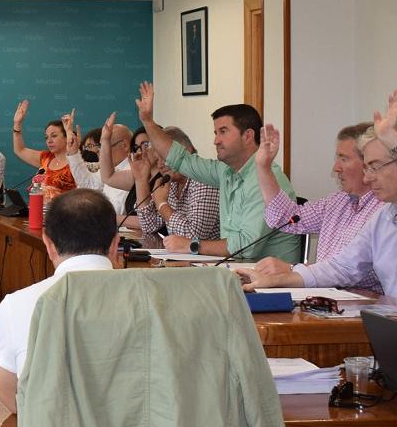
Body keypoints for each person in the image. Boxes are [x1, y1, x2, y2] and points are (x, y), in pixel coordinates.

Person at [244, 90, 397, 312]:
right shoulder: (383, 218)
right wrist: (275, 280)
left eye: (374, 167)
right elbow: (340, 267)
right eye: (366, 167)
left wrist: (392, 138)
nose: (367, 177)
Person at [135, 81, 302, 262]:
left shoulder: (267, 179)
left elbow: (246, 247)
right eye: (215, 133)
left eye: (223, 132)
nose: (216, 140)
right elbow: (180, 159)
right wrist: (148, 121)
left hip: (273, 281)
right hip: (237, 270)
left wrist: (192, 245)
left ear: (248, 135)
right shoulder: (225, 171)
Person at [0, 189, 122, 413]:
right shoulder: (155, 301)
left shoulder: (16, 305)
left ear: (48, 244)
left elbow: (12, 398)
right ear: (115, 244)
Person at [255, 122, 384, 291]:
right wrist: (264, 167)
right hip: (324, 300)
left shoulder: (385, 209)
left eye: (344, 159)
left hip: (362, 306)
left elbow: (363, 273)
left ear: (369, 163)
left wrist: (292, 270)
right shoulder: (337, 201)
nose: (336, 168)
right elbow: (287, 218)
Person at [132, 127, 221, 242]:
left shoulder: (203, 179)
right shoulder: (172, 182)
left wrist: (162, 204)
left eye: (164, 158)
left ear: (186, 151)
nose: (160, 165)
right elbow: (148, 226)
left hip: (210, 259)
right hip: (182, 257)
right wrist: (141, 180)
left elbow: (194, 237)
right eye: (157, 159)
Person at [63, 110, 132, 215]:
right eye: (101, 146)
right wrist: (73, 152)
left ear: (124, 145)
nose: (100, 152)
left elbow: (118, 210)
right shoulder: (111, 168)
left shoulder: (133, 169)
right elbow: (88, 183)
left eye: (105, 146)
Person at [11, 100, 75, 202]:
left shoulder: (76, 162)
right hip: (37, 211)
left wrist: (69, 131)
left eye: (54, 136)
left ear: (66, 136)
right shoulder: (46, 158)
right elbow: (20, 150)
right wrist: (17, 124)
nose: (49, 141)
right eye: (46, 137)